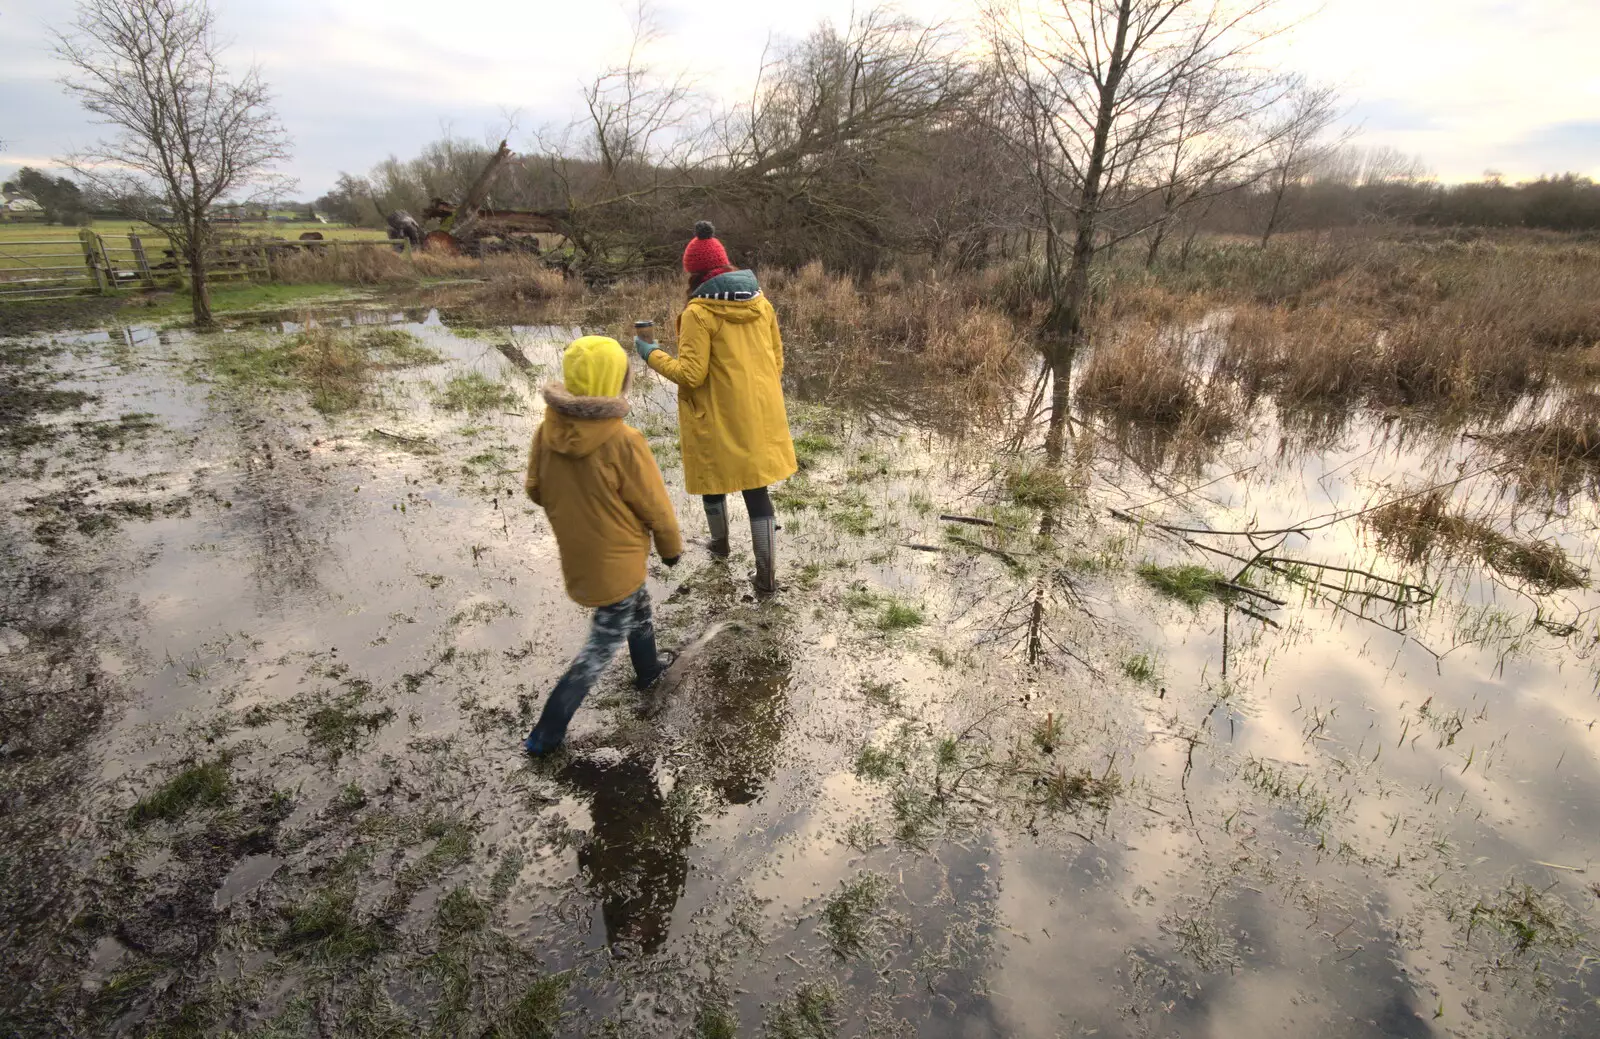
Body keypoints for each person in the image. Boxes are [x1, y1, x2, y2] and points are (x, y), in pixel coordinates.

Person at [522, 335, 683, 755]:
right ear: (618, 381)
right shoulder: (623, 440)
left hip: (580, 554)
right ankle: (546, 733)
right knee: (600, 647)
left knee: (638, 606)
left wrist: (576, 508)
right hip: (618, 559)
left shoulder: (546, 430)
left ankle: (649, 673)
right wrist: (670, 548)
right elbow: (656, 507)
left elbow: (535, 489)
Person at [635, 221, 797, 594]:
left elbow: (691, 375)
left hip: (718, 414)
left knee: (713, 480)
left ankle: (720, 546)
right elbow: (776, 361)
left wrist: (651, 353)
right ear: (726, 265)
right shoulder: (762, 303)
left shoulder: (698, 313)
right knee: (757, 489)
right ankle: (766, 576)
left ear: (693, 273)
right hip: (759, 412)